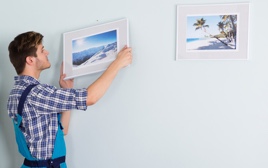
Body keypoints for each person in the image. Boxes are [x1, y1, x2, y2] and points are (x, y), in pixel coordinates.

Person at [7, 31, 132, 168]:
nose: (47, 52)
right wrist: (118, 63)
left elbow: (62, 130)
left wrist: (65, 90)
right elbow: (90, 97)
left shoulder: (16, 92)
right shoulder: (36, 93)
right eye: (42, 50)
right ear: (30, 60)